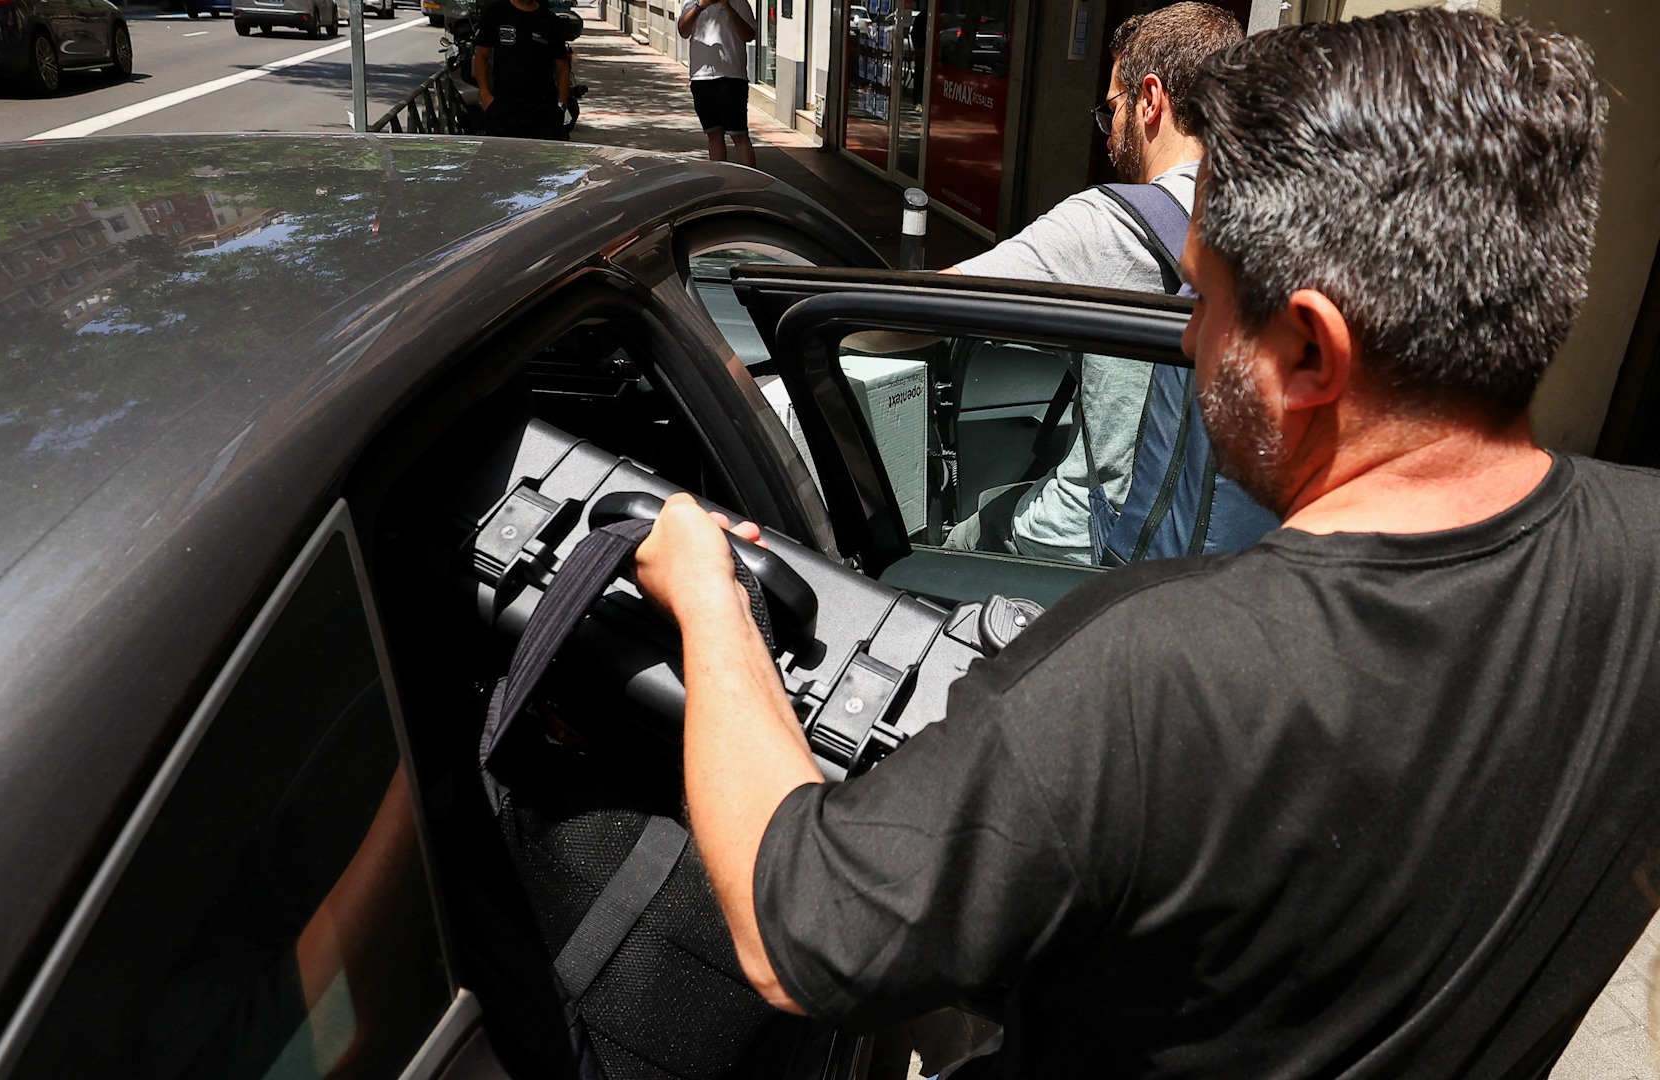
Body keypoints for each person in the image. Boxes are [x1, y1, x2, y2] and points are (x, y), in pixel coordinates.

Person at [635, 9, 1660, 1077]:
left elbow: (794, 928)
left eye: (1204, 296)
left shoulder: (1148, 675)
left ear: (1309, 348)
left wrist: (710, 597)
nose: (1184, 333)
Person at [940, 3, 1243, 564]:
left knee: (961, 536)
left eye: (1111, 110)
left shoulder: (1109, 224)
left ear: (1149, 100)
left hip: (1105, 538)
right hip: (1229, 546)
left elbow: (922, 309)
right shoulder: (1277, 210)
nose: (1107, 136)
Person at [473, 0, 572, 141]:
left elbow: (562, 68)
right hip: (502, 108)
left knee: (540, 160)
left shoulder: (550, 21)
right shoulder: (496, 13)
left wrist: (561, 104)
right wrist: (485, 95)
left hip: (542, 112)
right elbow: (481, 55)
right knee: (501, 159)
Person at [677, 0, 758, 166]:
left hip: (732, 76)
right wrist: (701, 6)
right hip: (701, 77)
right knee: (714, 134)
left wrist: (728, 7)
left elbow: (749, 35)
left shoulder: (739, 4)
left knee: (739, 134)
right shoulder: (692, 3)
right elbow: (683, 31)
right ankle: (721, 179)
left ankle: (751, 183)